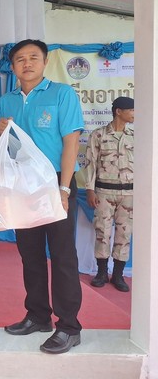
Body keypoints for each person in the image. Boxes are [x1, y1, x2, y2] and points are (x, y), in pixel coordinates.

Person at [0, 39, 84, 354]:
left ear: (45, 62)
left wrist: (64, 188)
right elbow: (10, 150)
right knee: (30, 255)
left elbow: (71, 142)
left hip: (56, 184)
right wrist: (1, 133)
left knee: (62, 256)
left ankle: (69, 327)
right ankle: (38, 316)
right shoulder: (6, 101)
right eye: (20, 59)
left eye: (34, 57)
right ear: (13, 66)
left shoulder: (62, 94)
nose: (27, 63)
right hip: (23, 187)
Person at [84, 96, 134, 292]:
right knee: (102, 232)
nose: (134, 113)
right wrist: (90, 190)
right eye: (131, 110)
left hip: (129, 193)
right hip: (104, 192)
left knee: (124, 233)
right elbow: (90, 163)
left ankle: (118, 275)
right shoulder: (98, 135)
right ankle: (102, 272)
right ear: (118, 112)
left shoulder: (135, 136)